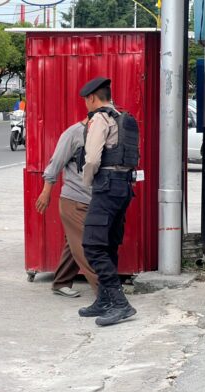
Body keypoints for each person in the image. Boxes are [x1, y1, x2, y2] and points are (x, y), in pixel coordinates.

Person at [78, 76, 139, 326]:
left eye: (85, 101)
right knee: (109, 244)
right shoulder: (121, 117)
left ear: (92, 98)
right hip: (124, 186)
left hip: (106, 186)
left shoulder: (100, 119)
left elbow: (92, 158)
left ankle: (120, 303)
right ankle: (104, 300)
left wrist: (87, 182)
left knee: (92, 245)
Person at [35, 118, 99, 298]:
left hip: (93, 200)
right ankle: (106, 292)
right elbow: (55, 163)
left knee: (73, 243)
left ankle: (61, 282)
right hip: (74, 199)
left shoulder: (102, 133)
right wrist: (46, 192)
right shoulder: (73, 134)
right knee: (87, 246)